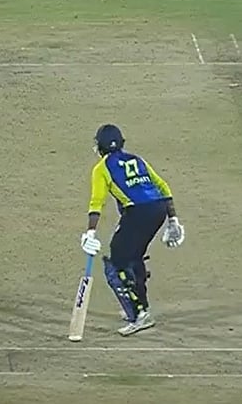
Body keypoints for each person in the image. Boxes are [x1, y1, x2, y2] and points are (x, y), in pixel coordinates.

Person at [80, 124, 186, 336]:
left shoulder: (101, 168)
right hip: (158, 210)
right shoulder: (137, 159)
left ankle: (139, 314)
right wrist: (173, 219)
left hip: (138, 212)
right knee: (133, 256)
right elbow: (163, 187)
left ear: (99, 146)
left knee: (117, 262)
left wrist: (90, 232)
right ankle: (139, 306)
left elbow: (96, 202)